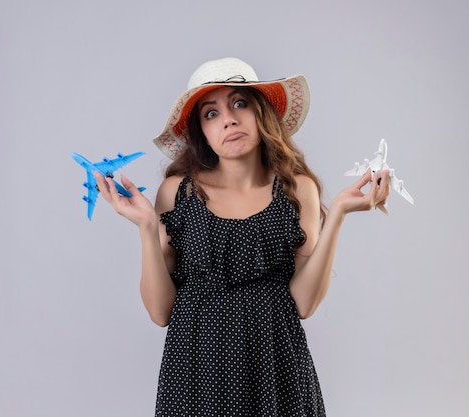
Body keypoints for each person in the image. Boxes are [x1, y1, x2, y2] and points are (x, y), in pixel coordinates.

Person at [94, 57, 390, 417]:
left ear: (260, 112)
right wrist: (146, 227)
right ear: (200, 132)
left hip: (277, 367)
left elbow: (304, 305)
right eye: (211, 113)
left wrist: (339, 214)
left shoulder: (299, 191)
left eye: (239, 103)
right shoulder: (177, 193)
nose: (229, 119)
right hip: (196, 371)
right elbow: (159, 313)